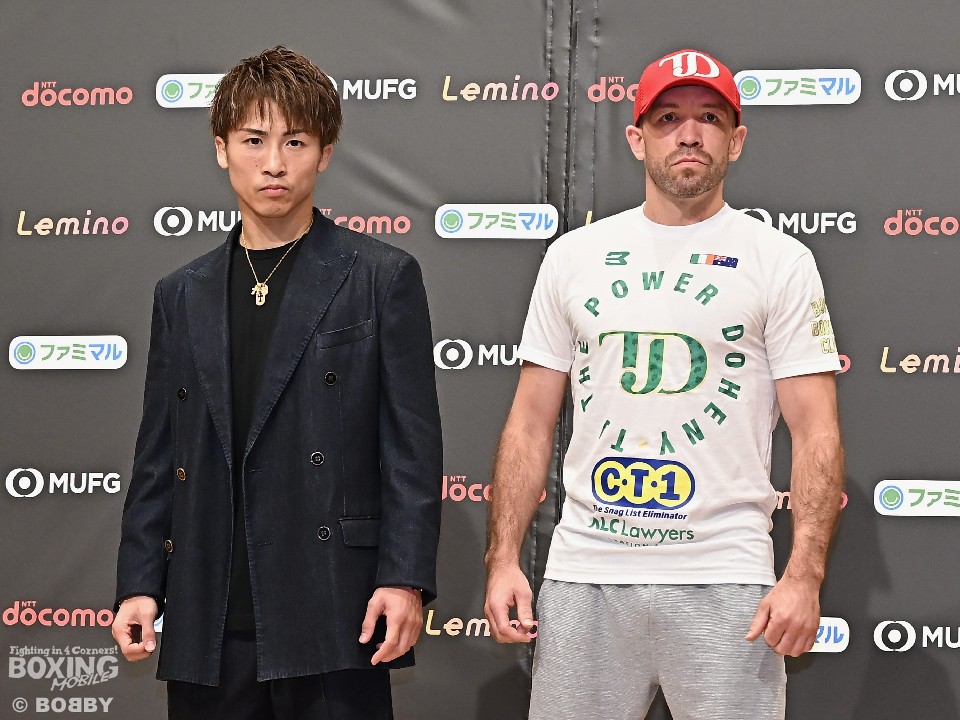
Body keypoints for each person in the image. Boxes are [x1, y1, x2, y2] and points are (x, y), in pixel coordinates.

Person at [484, 48, 844, 720]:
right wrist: (503, 559)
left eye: (710, 118)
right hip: (587, 572)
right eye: (668, 118)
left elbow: (816, 430)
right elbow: (530, 422)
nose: (689, 134)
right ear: (636, 137)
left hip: (725, 579)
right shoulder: (573, 257)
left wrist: (804, 575)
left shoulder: (781, 261)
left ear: (736, 140)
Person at [112, 46, 442, 720]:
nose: (273, 163)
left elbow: (412, 450)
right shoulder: (182, 293)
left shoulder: (380, 277)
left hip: (336, 606)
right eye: (253, 140)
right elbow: (158, 455)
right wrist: (140, 583)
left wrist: (404, 579)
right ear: (221, 149)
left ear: (325, 153)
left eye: (295, 142)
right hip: (209, 612)